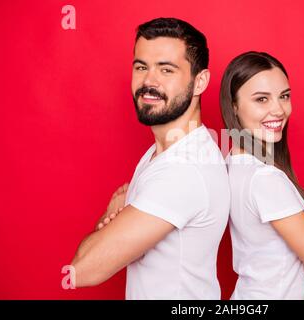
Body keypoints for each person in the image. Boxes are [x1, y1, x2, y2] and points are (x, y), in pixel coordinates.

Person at [70, 17, 230, 300]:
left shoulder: (183, 170)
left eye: (166, 70)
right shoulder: (164, 151)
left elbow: (82, 270)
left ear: (200, 81)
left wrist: (113, 217)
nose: (148, 81)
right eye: (141, 67)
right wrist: (114, 221)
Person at [220, 51, 304, 299]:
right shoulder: (265, 179)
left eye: (284, 96)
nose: (278, 110)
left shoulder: (231, 163)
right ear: (233, 106)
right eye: (261, 99)